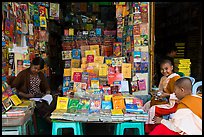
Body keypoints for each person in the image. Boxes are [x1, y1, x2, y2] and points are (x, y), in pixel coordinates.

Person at [11, 57, 57, 123]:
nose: (36, 71)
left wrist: (47, 92)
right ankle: (47, 118)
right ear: (31, 64)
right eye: (35, 68)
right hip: (28, 98)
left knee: (54, 100)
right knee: (39, 105)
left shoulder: (40, 75)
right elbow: (13, 88)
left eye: (38, 69)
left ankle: (50, 117)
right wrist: (25, 95)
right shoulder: (23, 74)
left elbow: (46, 87)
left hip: (39, 97)